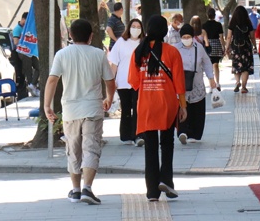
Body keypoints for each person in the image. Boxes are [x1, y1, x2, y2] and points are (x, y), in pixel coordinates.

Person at [44, 19, 116, 205]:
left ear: (70, 35)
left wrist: (47, 106)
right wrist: (109, 98)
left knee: (73, 149)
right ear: (91, 36)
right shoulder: (99, 54)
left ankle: (75, 190)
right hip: (93, 107)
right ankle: (87, 188)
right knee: (91, 147)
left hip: (70, 109)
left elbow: (52, 80)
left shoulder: (62, 54)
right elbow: (109, 80)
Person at [128, 15, 187, 202]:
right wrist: (183, 106)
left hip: (146, 105)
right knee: (167, 143)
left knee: (150, 147)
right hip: (167, 104)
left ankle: (152, 191)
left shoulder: (138, 52)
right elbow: (179, 82)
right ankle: (166, 180)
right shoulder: (172, 52)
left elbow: (134, 81)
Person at [175, 24, 216, 144]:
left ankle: (195, 134)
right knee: (182, 107)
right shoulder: (175, 48)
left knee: (197, 109)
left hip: (197, 82)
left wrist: (211, 78)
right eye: (184, 36)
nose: (186, 39)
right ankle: (182, 132)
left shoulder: (199, 47)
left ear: (192, 37)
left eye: (189, 36)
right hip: (181, 83)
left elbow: (207, 63)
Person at [108, 18, 145, 147]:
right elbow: (114, 63)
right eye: (133, 26)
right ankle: (126, 135)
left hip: (139, 82)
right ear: (129, 28)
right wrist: (112, 80)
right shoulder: (121, 42)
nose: (135, 29)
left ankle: (138, 135)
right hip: (123, 81)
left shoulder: (143, 43)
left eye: (138, 26)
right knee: (126, 109)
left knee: (137, 108)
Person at [225, 6, 256, 93]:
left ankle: (237, 82)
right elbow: (252, 37)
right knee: (245, 67)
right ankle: (243, 87)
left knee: (236, 65)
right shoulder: (248, 23)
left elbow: (228, 37)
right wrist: (255, 46)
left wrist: (227, 47)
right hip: (246, 47)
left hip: (235, 47)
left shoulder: (232, 23)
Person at [13, 12, 40, 97]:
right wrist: (25, 41)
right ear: (23, 19)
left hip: (30, 52)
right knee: (28, 71)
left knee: (39, 67)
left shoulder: (28, 28)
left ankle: (32, 84)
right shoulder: (17, 29)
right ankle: (31, 86)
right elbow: (16, 42)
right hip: (23, 52)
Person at [202, 8, 225, 91]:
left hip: (207, 45)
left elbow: (203, 37)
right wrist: (224, 47)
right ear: (215, 15)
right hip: (216, 45)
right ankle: (218, 83)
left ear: (207, 15)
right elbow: (221, 37)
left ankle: (211, 85)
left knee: (209, 66)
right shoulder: (218, 25)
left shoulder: (204, 25)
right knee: (216, 65)